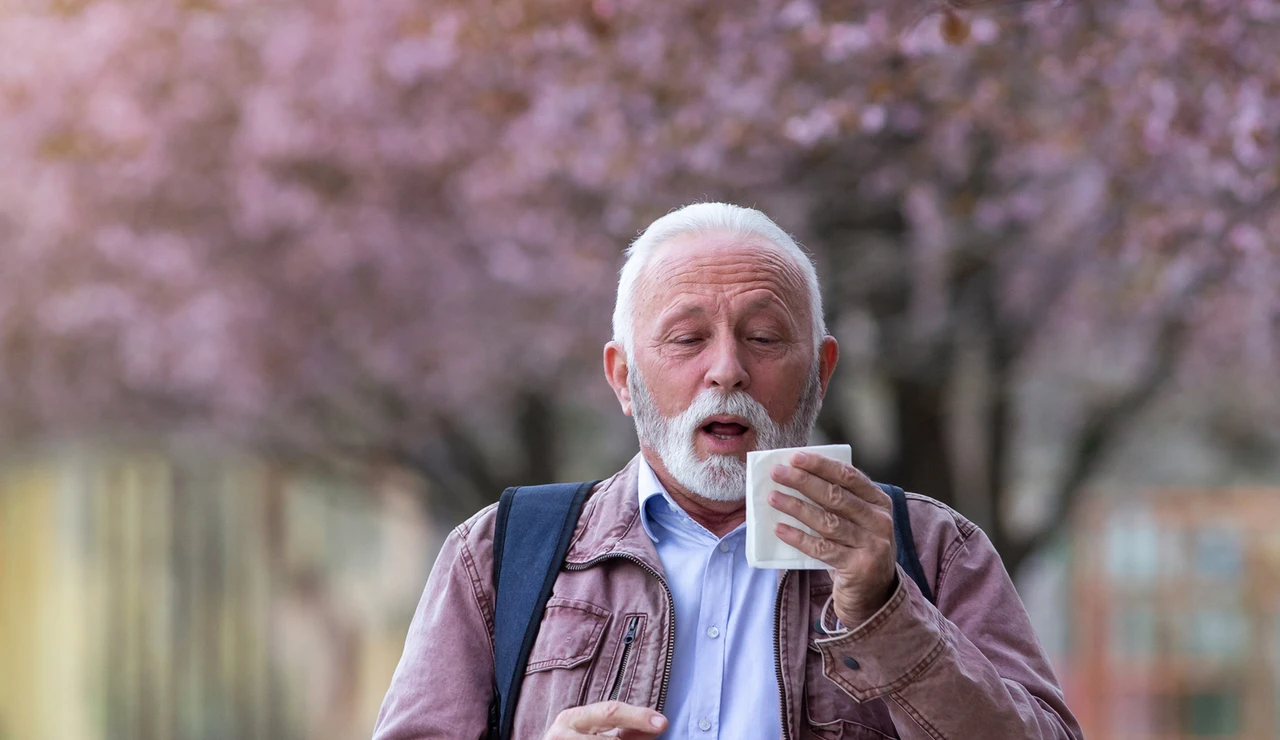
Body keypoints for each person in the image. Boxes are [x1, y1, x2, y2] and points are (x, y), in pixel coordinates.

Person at [373, 203, 1083, 739]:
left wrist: (885, 609)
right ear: (623, 378)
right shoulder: (499, 555)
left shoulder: (931, 550)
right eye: (687, 339)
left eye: (765, 337)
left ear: (821, 373)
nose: (727, 371)